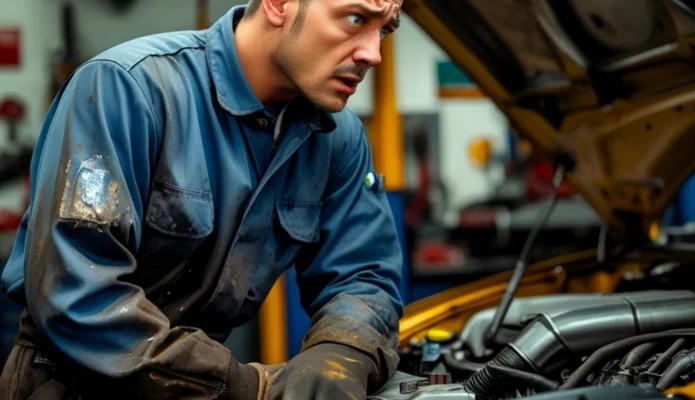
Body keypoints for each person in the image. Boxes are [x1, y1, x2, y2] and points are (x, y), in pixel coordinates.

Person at [0, 0, 404, 398]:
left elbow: (363, 276)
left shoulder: (336, 138)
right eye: (355, 19)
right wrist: (250, 387)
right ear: (279, 5)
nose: (373, 54)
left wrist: (342, 354)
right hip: (70, 385)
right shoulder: (127, 88)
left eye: (385, 29)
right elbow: (76, 294)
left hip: (196, 387)